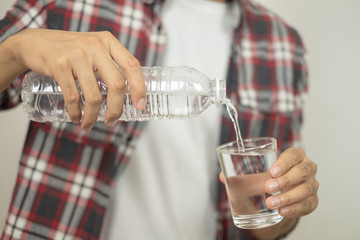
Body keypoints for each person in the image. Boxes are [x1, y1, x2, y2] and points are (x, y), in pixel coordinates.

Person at [0, 0, 319, 239]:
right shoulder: (74, 3)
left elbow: (264, 217)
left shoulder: (283, 44)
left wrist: (287, 202)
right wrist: (16, 50)